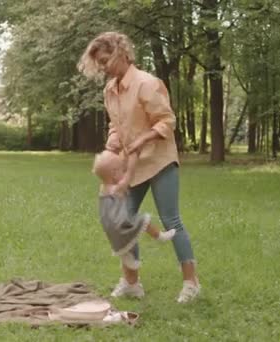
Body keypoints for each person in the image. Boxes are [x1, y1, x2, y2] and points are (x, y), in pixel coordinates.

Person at [78, 31, 201, 303]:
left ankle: (191, 282)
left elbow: (166, 122)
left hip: (159, 161)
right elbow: (115, 125)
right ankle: (132, 283)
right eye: (99, 62)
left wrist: (142, 139)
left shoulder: (147, 83)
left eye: (106, 59)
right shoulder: (110, 90)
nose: (103, 66)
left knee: (171, 220)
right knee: (123, 221)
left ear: (122, 52)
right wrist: (112, 145)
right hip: (129, 168)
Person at [93, 149, 176, 268]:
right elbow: (129, 177)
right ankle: (160, 236)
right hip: (120, 223)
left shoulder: (103, 188)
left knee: (125, 243)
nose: (124, 172)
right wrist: (134, 155)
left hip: (112, 226)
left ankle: (127, 257)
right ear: (114, 174)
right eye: (122, 169)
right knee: (144, 221)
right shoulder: (116, 189)